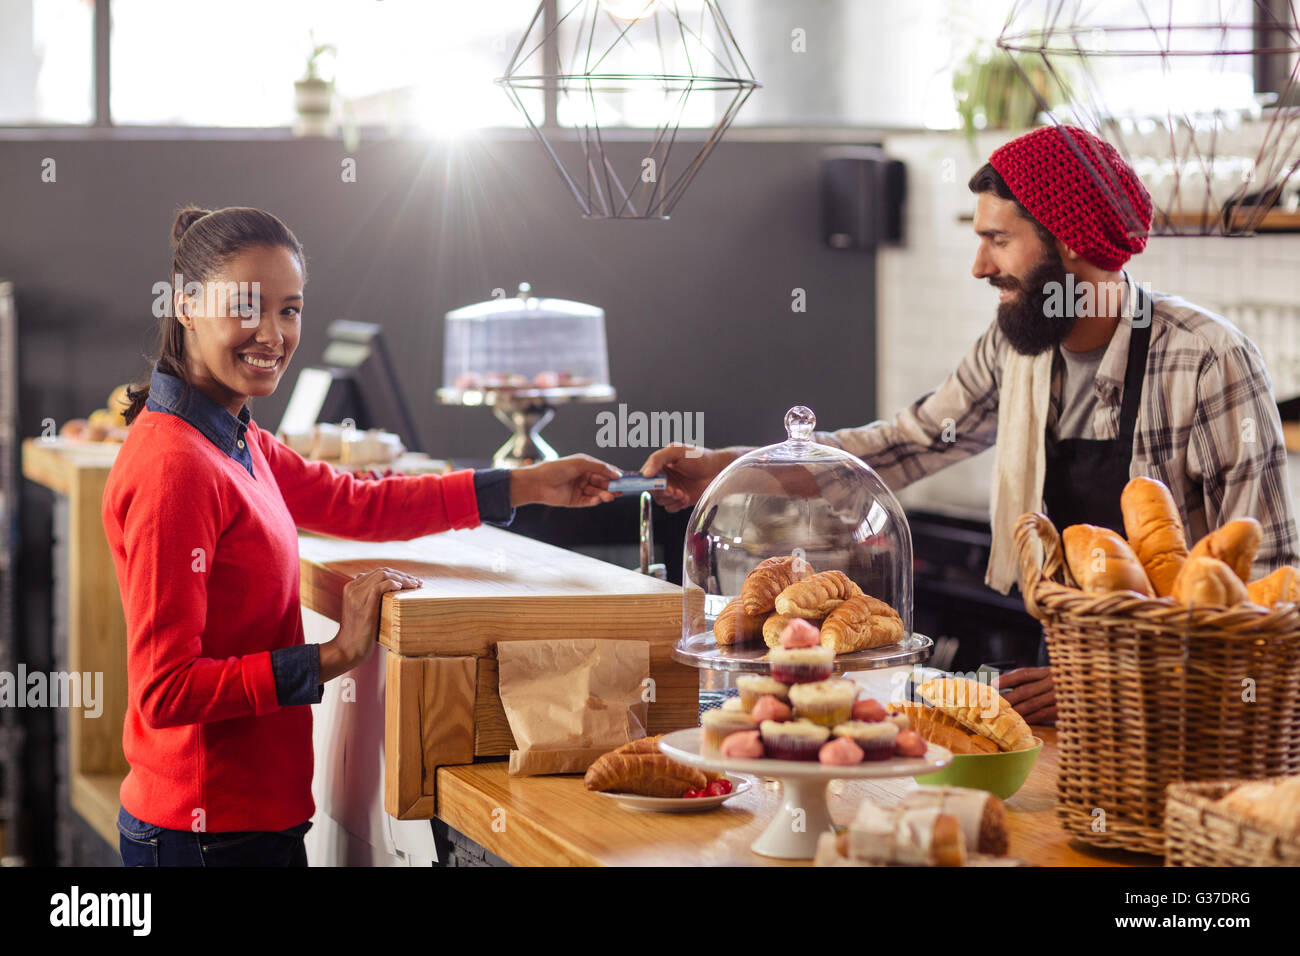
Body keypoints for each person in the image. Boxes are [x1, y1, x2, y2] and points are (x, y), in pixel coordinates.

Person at [640, 126, 1300, 726]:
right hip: (1063, 662)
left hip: (1194, 694)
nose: (980, 267)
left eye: (998, 240)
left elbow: (1271, 598)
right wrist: (735, 468)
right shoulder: (1019, 347)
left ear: (1070, 242)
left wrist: (1110, 680)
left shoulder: (1209, 360)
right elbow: (909, 443)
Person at [105, 205, 622, 866]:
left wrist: (524, 484)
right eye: (246, 306)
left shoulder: (234, 437)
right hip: (205, 834)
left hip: (246, 821)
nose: (272, 334)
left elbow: (357, 503)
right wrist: (334, 654)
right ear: (186, 305)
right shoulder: (176, 465)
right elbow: (167, 689)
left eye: (289, 310)